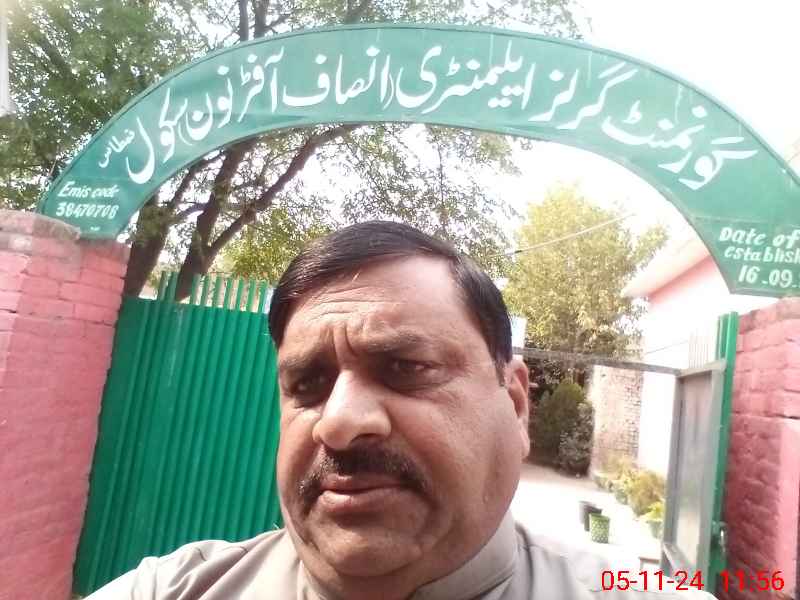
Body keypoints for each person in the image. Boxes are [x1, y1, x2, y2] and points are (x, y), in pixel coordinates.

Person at [87, 221, 715, 599]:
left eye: (407, 368)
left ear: (516, 403)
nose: (338, 422)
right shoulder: (171, 589)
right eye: (308, 383)